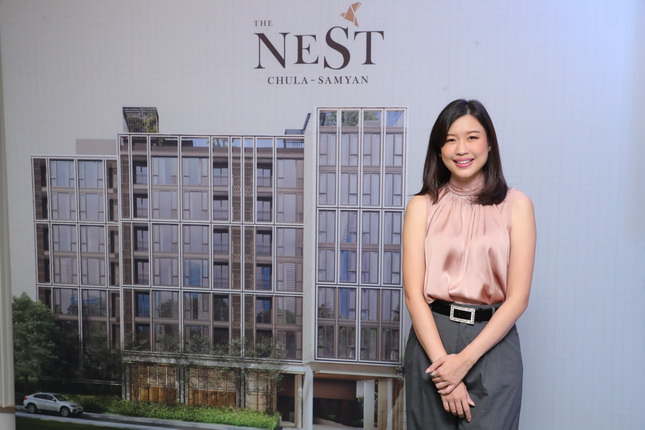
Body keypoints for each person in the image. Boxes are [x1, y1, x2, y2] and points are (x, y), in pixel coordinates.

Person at [403, 99, 536, 429]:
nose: (461, 149)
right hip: (432, 340)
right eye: (450, 139)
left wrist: (464, 361)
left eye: (472, 137)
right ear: (439, 150)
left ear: (489, 144)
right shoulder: (421, 206)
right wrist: (444, 369)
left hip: (493, 343)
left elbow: (518, 298)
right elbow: (413, 295)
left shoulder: (517, 205)